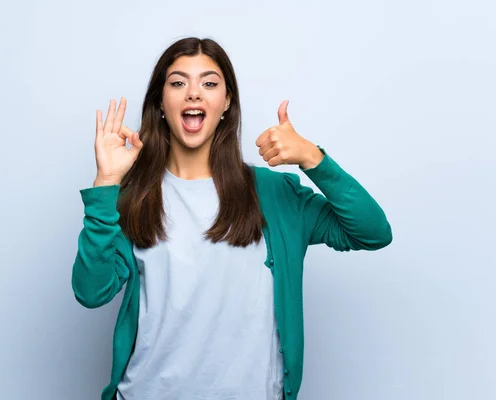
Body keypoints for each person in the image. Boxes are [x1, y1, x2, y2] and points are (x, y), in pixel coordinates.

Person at [71, 37, 392, 400]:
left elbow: (372, 232)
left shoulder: (273, 193)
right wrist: (106, 186)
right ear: (161, 103)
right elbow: (91, 292)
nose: (194, 93)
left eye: (209, 83)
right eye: (178, 83)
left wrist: (312, 158)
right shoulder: (134, 198)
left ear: (226, 103)